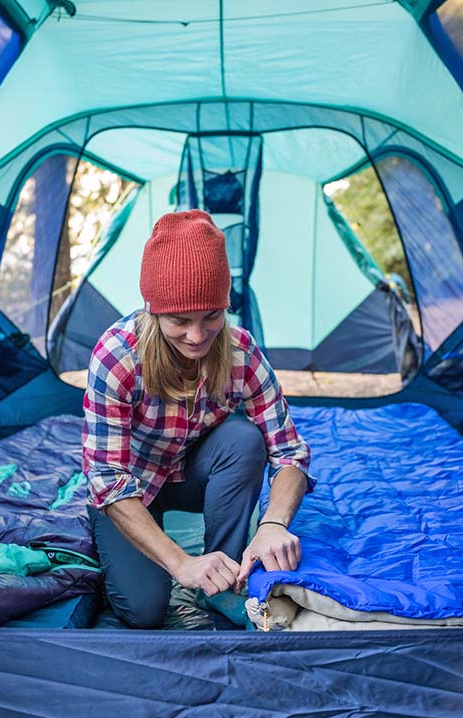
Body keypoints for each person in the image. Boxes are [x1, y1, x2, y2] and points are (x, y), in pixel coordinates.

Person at [82, 209, 314, 629]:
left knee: (244, 439)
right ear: (153, 312)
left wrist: (273, 523)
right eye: (179, 321)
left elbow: (289, 451)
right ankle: (162, 557)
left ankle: (224, 577)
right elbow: (107, 478)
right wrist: (180, 564)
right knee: (143, 609)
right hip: (131, 488)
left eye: (211, 316)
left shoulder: (241, 352)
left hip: (192, 473)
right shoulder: (116, 357)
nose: (197, 336)